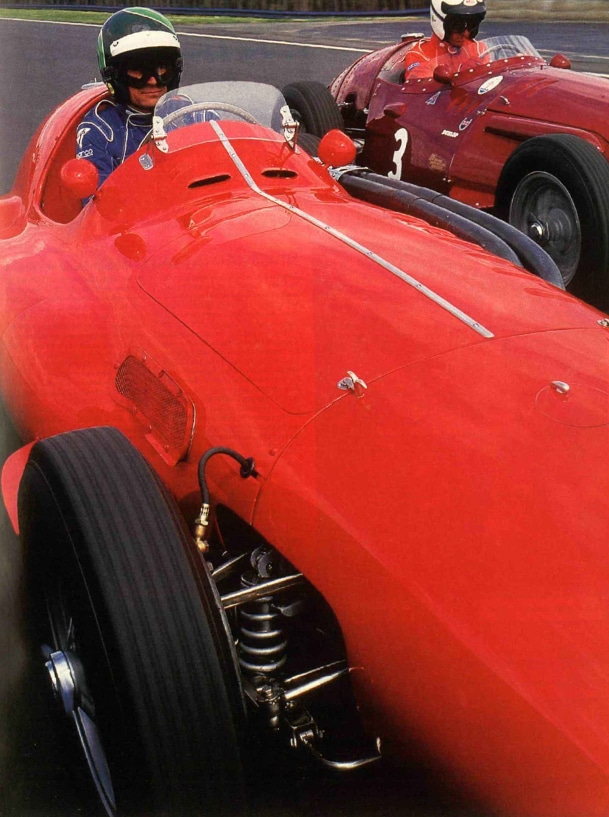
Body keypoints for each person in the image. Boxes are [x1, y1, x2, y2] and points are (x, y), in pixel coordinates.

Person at [76, 7, 182, 189]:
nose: (152, 81)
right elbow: (98, 203)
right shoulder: (100, 132)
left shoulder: (198, 115)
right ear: (114, 76)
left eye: (162, 68)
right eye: (138, 70)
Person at [403, 0, 488, 80]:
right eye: (458, 26)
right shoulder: (419, 56)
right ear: (440, 23)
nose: (466, 33)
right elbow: (421, 87)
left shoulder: (478, 50)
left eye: (472, 25)